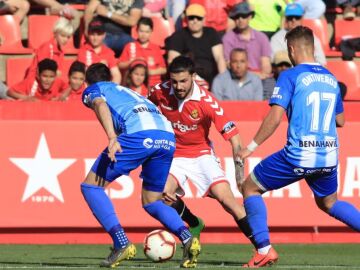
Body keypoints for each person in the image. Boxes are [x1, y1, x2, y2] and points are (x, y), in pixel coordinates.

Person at [239, 26, 360, 268]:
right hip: (327, 156)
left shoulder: (290, 75)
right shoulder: (330, 78)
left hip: (299, 155)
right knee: (329, 203)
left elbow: (274, 117)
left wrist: (250, 147)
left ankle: (264, 250)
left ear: (292, 49)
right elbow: (341, 121)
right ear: (313, 48)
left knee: (249, 187)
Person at [80, 63, 201, 268]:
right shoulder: (128, 91)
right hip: (167, 137)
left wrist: (111, 137)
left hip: (139, 136)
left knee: (91, 187)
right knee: (152, 201)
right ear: (111, 78)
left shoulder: (94, 89)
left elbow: (100, 104)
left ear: (88, 81)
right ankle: (188, 237)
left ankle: (121, 242)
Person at [148, 56, 254, 251]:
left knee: (228, 202)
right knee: (161, 194)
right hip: (174, 155)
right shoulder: (158, 92)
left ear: (193, 77)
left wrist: (240, 178)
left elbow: (235, 140)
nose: (178, 86)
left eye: (183, 81)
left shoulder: (206, 101)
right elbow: (144, 111)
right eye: (174, 81)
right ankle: (194, 223)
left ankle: (263, 248)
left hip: (201, 154)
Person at [165, 3, 227, 85]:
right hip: (188, 81)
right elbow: (173, 61)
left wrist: (223, 81)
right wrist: (194, 79)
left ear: (204, 19)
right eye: (191, 18)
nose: (195, 21)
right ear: (186, 19)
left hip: (212, 81)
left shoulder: (211, 33)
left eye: (199, 18)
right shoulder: (178, 36)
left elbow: (220, 58)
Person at [222, 2, 272, 80]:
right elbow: (229, 64)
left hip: (261, 77)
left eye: (243, 16)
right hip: (237, 77)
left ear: (250, 17)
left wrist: (262, 75)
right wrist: (253, 75)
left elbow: (266, 64)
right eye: (237, 17)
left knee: (271, 85)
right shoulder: (228, 38)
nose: (240, 19)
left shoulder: (261, 37)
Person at [118, 17, 166, 88]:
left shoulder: (155, 48)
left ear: (151, 32)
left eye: (147, 32)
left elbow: (164, 70)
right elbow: (120, 65)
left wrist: (149, 72)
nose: (143, 35)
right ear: (136, 30)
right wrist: (132, 62)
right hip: (133, 86)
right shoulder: (130, 46)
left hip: (153, 86)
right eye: (141, 31)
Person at [78, 18, 121, 84]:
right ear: (88, 34)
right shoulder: (83, 51)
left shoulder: (109, 52)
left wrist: (109, 90)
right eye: (92, 34)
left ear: (104, 35)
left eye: (98, 34)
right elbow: (81, 75)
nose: (95, 38)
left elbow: (116, 75)